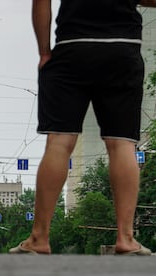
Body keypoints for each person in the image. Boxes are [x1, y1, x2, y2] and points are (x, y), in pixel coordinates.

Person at [9, 0, 156, 255]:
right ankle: (126, 239)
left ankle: (39, 238)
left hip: (71, 47)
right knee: (122, 143)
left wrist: (44, 52)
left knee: (59, 142)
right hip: (122, 48)